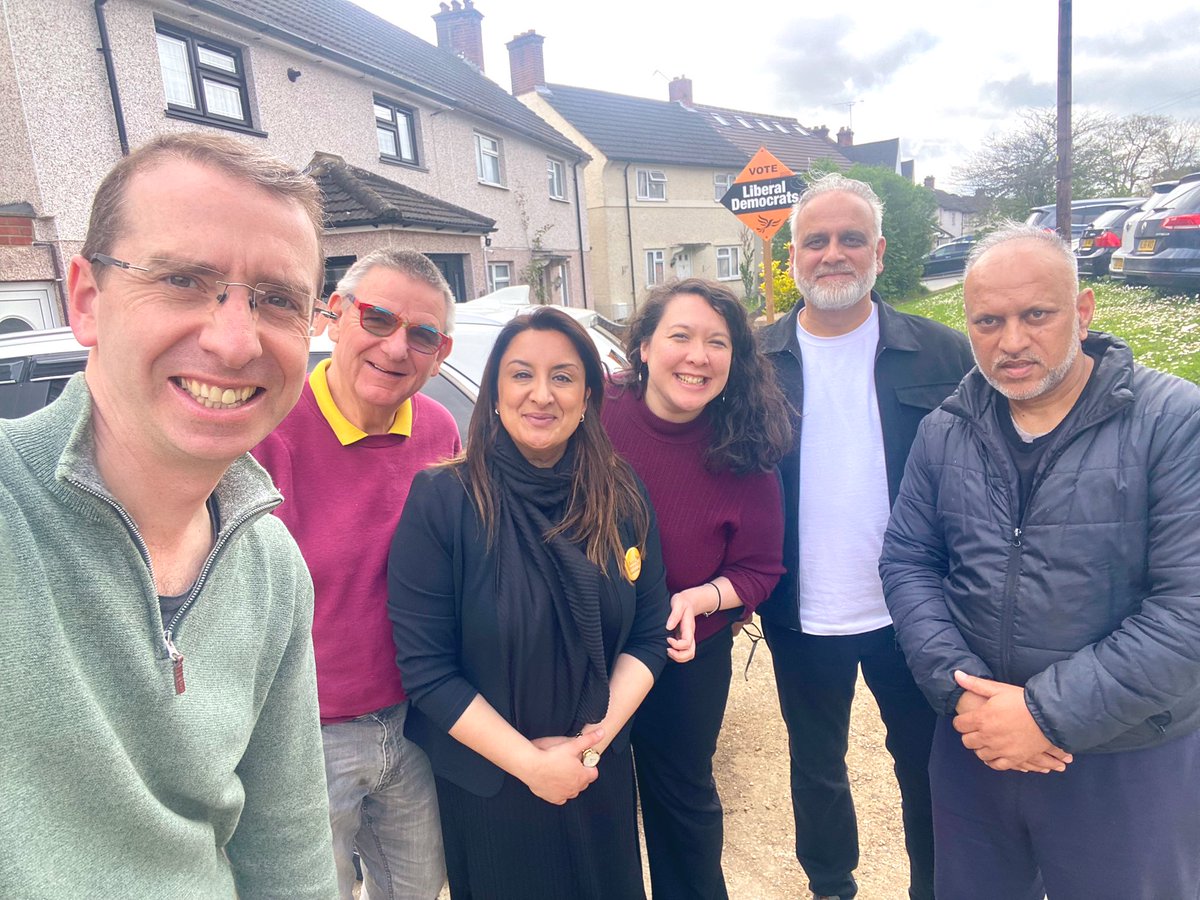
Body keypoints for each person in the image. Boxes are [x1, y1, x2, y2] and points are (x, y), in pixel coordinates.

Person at [0, 133, 338, 897]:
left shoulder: (271, 563)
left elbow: (287, 850)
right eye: (184, 280)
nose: (233, 338)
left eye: (279, 300)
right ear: (87, 300)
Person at [880, 224, 1200, 900]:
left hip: (1123, 754)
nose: (1012, 341)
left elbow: (1187, 611)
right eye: (988, 321)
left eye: (1037, 315)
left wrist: (1046, 716)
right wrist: (959, 690)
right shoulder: (946, 429)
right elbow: (909, 561)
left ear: (1083, 313)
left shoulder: (1173, 422)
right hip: (975, 745)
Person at [387, 307, 671, 899]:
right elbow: (427, 669)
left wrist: (589, 744)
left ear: (589, 394)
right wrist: (531, 766)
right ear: (493, 392)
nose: (541, 395)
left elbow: (647, 634)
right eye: (521, 375)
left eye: (563, 377)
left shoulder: (621, 492)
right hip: (492, 787)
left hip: (597, 772)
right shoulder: (443, 500)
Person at [758, 173, 974, 900]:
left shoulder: (945, 356)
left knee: (926, 765)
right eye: (815, 240)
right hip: (798, 607)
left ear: (878, 251)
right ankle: (830, 886)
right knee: (815, 764)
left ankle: (934, 888)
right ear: (793, 257)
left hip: (915, 611)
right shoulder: (752, 360)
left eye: (851, 238)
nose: (833, 253)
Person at [253, 249, 460, 899]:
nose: (397, 348)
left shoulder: (438, 429)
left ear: (440, 352)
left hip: (414, 722)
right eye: (378, 319)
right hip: (304, 739)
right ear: (333, 317)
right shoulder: (269, 430)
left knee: (418, 890)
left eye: (422, 334)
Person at [602, 277, 789, 899]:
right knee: (588, 795)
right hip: (582, 645)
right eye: (680, 336)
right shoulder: (591, 412)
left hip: (685, 655)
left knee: (681, 801)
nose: (697, 356)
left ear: (734, 362)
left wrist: (700, 598)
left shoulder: (746, 449)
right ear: (645, 346)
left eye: (717, 342)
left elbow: (761, 569)